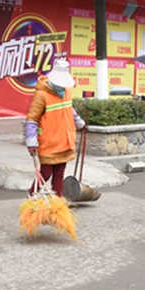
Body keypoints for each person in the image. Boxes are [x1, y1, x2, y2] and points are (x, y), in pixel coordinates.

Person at [24, 58, 87, 197]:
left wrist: (79, 123)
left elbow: (69, 109)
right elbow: (32, 119)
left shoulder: (67, 91)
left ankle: (57, 202)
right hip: (49, 141)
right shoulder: (42, 94)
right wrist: (31, 141)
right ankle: (32, 195)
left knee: (59, 174)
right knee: (45, 173)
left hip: (65, 140)